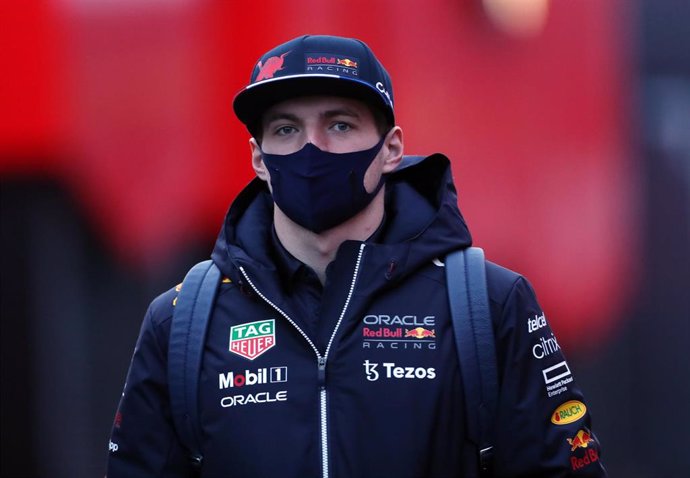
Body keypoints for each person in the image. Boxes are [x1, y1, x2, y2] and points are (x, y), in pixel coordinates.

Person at [106, 34, 606, 477]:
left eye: (340, 125)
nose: (311, 148)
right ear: (258, 158)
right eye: (286, 130)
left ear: (391, 149)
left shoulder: (490, 305)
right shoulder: (181, 323)